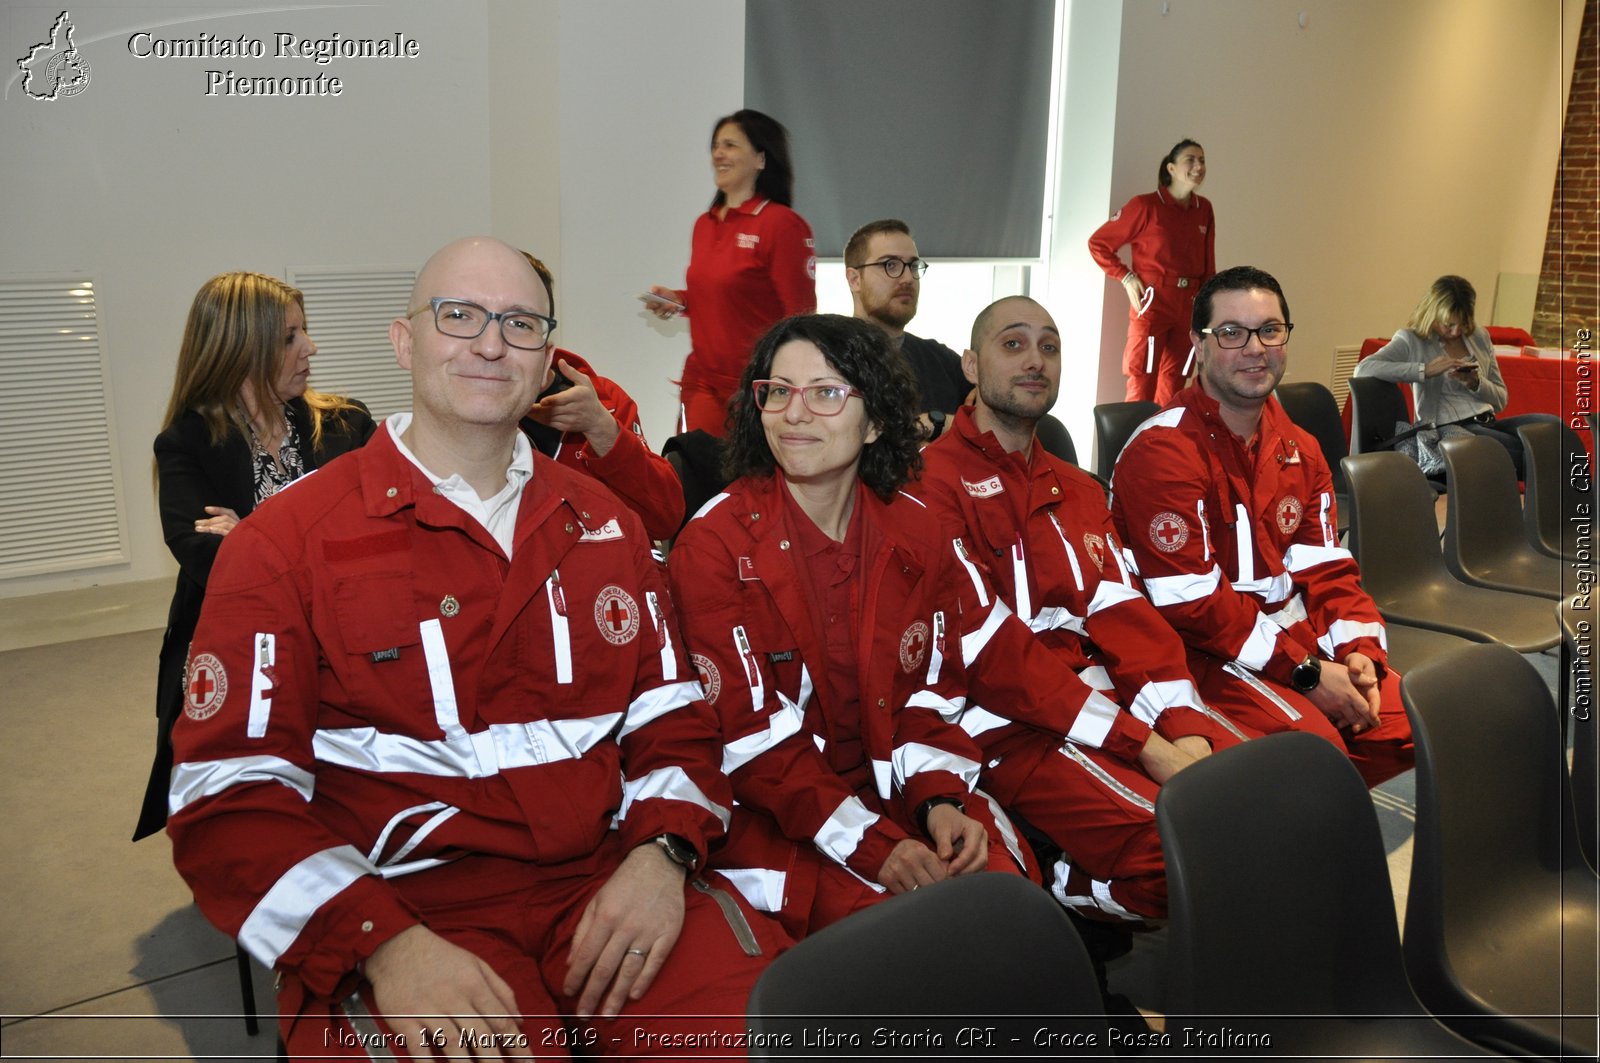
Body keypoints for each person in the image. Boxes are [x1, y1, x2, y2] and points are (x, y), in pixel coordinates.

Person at [166, 238, 778, 1058]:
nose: (492, 343)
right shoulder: (283, 545)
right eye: (460, 316)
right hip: (405, 907)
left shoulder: (607, 522)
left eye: (520, 324)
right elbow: (228, 795)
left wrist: (664, 852)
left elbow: (675, 718)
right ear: (404, 339)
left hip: (609, 877)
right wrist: (381, 940)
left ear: (549, 355)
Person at [667, 314, 1034, 941]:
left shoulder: (918, 530)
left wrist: (940, 800)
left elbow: (930, 696)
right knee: (911, 945)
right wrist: (874, 845)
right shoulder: (713, 546)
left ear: (876, 421)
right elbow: (749, 743)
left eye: (826, 392)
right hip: (774, 815)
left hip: (897, 790)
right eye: (777, 391)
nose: (795, 414)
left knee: (1010, 913)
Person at [917, 295, 1249, 925]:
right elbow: (993, 658)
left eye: (1049, 346)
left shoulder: (1076, 486)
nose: (1034, 360)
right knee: (1188, 854)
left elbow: (1130, 618)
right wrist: (1145, 746)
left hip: (1106, 708)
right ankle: (1067, 888)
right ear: (969, 364)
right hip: (1008, 725)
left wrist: (1183, 726)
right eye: (1012, 344)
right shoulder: (929, 487)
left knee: (1259, 808)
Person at [1111, 266, 1413, 788]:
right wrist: (1309, 675)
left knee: (1414, 723)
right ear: (1199, 346)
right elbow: (1193, 605)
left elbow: (1327, 568)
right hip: (1199, 654)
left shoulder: (1301, 446)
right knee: (1315, 756)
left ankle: (1289, 802)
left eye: (1269, 330)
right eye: (1231, 332)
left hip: (1288, 640)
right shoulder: (1161, 452)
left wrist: (1359, 654)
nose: (1254, 347)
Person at [133, 272, 374, 842]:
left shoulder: (347, 424)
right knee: (256, 805)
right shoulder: (187, 443)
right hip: (239, 642)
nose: (310, 348)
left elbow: (380, 535)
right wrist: (316, 538)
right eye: (291, 337)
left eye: (305, 332)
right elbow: (204, 557)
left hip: (343, 632)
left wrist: (254, 535)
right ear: (243, 349)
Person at [646, 109, 816, 436]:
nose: (718, 154)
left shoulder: (783, 226)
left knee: (751, 482)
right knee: (695, 473)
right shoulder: (704, 224)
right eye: (715, 146)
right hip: (702, 383)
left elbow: (802, 320)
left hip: (756, 389)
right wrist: (679, 300)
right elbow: (721, 295)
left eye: (730, 145)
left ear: (761, 159)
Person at [518, 253, 684, 539]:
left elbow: (664, 519)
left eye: (520, 322)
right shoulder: (467, 409)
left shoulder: (604, 399)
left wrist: (600, 428)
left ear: (546, 335)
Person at [1353, 274, 1558, 478]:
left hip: (1488, 421)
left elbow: (1501, 399)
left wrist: (1476, 383)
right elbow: (1363, 369)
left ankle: (1565, 502)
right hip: (1449, 429)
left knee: (1552, 430)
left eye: (1463, 324)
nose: (1456, 331)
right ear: (1432, 314)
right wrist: (1424, 370)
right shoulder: (1411, 339)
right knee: (1529, 453)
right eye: (1448, 324)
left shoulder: (1478, 336)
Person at [1088, 138, 1216, 404]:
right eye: (1190, 160)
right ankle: (1134, 443)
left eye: (1202, 160)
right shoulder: (1146, 206)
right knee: (1141, 379)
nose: (1198, 166)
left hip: (1190, 304)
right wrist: (1126, 277)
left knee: (1177, 381)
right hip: (1153, 301)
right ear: (1170, 168)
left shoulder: (1203, 209)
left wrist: (1208, 308)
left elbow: (1209, 264)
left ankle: (1166, 442)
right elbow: (1099, 243)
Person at [844, 218, 970, 441]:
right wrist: (930, 424)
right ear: (855, 280)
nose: (907, 278)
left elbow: (993, 403)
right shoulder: (832, 356)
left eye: (913, 266)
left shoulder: (940, 360)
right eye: (889, 265)